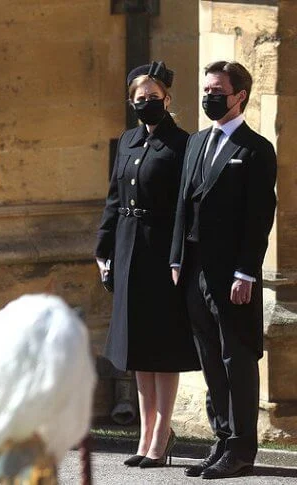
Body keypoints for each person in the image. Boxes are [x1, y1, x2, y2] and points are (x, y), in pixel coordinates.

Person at [170, 61, 276, 479]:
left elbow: (259, 217)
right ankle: (222, 438)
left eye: (217, 90)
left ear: (240, 96)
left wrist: (246, 273)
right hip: (194, 270)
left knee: (237, 359)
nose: (209, 96)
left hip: (232, 276)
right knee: (210, 358)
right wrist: (177, 257)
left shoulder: (255, 149)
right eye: (206, 89)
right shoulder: (197, 142)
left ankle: (242, 449)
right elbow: (183, 203)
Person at [95, 62, 200, 468]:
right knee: (137, 345)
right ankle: (145, 434)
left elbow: (185, 208)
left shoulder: (183, 144)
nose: (146, 104)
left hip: (162, 253)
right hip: (126, 247)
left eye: (153, 98)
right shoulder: (127, 141)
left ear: (168, 99)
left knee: (163, 345)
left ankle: (161, 435)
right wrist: (103, 247)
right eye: (139, 99)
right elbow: (113, 198)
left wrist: (179, 255)